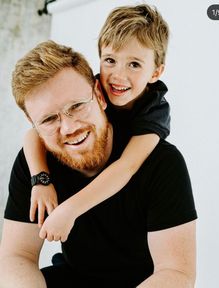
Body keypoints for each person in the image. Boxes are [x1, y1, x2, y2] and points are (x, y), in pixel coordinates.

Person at [0, 39, 197, 287]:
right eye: (49, 119)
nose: (69, 128)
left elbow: (176, 273)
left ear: (99, 96)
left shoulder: (161, 162)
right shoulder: (35, 166)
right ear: (34, 124)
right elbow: (17, 256)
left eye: (77, 106)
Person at [23, 4, 171, 243]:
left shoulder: (154, 111)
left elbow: (126, 167)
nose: (118, 75)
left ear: (155, 72)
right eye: (110, 60)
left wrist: (69, 210)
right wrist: (40, 180)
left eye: (134, 64)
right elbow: (33, 134)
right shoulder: (91, 91)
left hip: (127, 196)